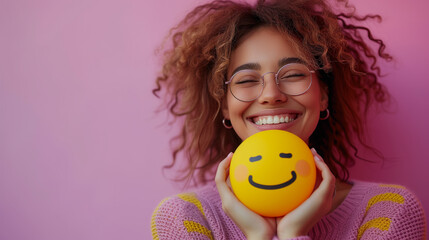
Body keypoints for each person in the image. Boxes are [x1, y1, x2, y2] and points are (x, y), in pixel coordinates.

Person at [150, 0, 427, 239]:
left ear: (323, 96)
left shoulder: (387, 211)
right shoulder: (186, 218)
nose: (271, 95)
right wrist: (259, 236)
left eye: (293, 74)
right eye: (246, 80)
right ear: (225, 106)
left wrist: (293, 233)